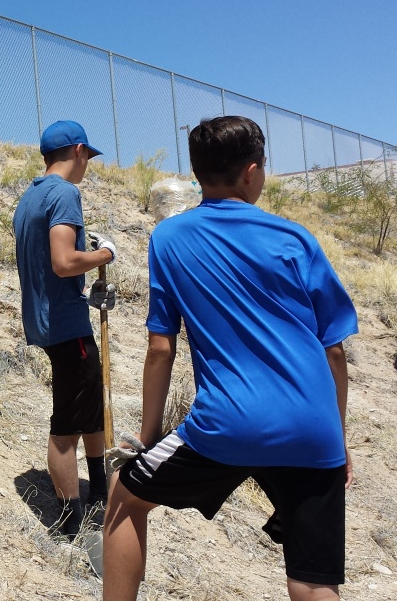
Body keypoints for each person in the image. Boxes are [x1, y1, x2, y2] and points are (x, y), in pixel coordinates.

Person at [102, 116, 358, 601]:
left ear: (198, 174)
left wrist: (150, 435)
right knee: (311, 580)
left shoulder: (170, 238)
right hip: (312, 428)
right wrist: (338, 439)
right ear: (252, 172)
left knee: (123, 500)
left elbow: (161, 348)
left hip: (228, 426)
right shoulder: (295, 240)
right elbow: (336, 351)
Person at [12, 120, 117, 540]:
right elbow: (62, 261)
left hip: (51, 320)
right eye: (87, 156)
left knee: (90, 412)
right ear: (77, 151)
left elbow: (46, 268)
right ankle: (73, 524)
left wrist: (85, 292)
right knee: (66, 429)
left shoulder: (29, 198)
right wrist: (104, 253)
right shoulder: (65, 194)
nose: (87, 165)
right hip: (66, 326)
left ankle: (100, 495)